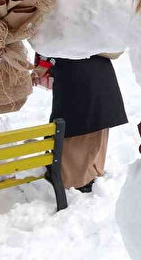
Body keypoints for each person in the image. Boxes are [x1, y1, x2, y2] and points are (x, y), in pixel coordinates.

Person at [32, 53, 127, 192]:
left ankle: (77, 179)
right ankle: (88, 174)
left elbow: (53, 42)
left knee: (75, 126)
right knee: (93, 122)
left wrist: (44, 63)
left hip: (76, 74)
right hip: (98, 71)